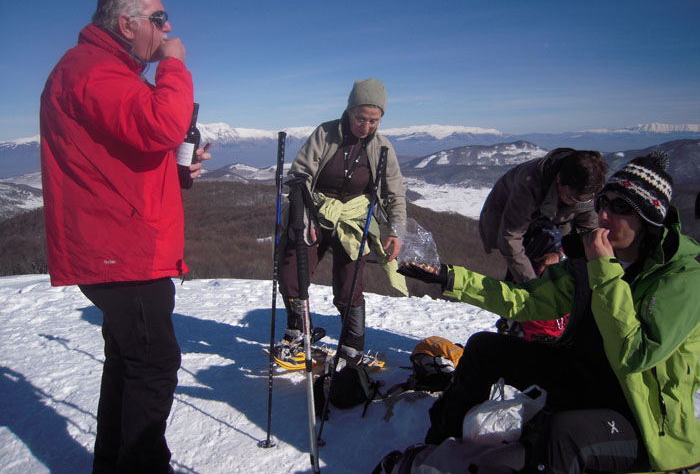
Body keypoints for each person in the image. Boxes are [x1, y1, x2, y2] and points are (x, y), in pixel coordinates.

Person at [399, 152, 700, 472]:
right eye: (603, 204)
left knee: (562, 436)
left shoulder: (682, 280)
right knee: (484, 348)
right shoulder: (591, 261)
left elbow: (634, 355)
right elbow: (525, 301)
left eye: (621, 207)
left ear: (650, 218)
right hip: (584, 379)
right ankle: (435, 448)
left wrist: (604, 268)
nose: (605, 216)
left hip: (639, 418)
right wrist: (449, 276)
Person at [40, 0, 210, 473]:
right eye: (159, 19)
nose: (167, 27)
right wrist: (174, 64)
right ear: (127, 23)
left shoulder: (101, 70)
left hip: (122, 243)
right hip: (121, 252)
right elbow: (161, 124)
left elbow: (122, 151)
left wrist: (176, 169)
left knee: (128, 362)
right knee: (152, 365)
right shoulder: (94, 72)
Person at [276, 78, 408, 364]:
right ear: (349, 111)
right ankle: (298, 332)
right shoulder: (325, 135)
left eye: (374, 120)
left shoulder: (382, 149)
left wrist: (396, 231)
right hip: (316, 211)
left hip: (354, 219)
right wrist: (305, 217)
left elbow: (395, 192)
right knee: (291, 276)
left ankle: (352, 346)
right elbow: (301, 176)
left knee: (349, 287)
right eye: (361, 118)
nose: (367, 126)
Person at [479, 148, 608, 340]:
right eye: (572, 198)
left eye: (584, 200)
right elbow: (510, 238)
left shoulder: (586, 189)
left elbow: (587, 231)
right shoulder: (529, 182)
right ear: (559, 179)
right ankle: (515, 322)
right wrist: (534, 287)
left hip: (552, 227)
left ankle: (552, 325)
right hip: (510, 220)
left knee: (556, 261)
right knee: (526, 269)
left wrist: (561, 255)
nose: (576, 204)